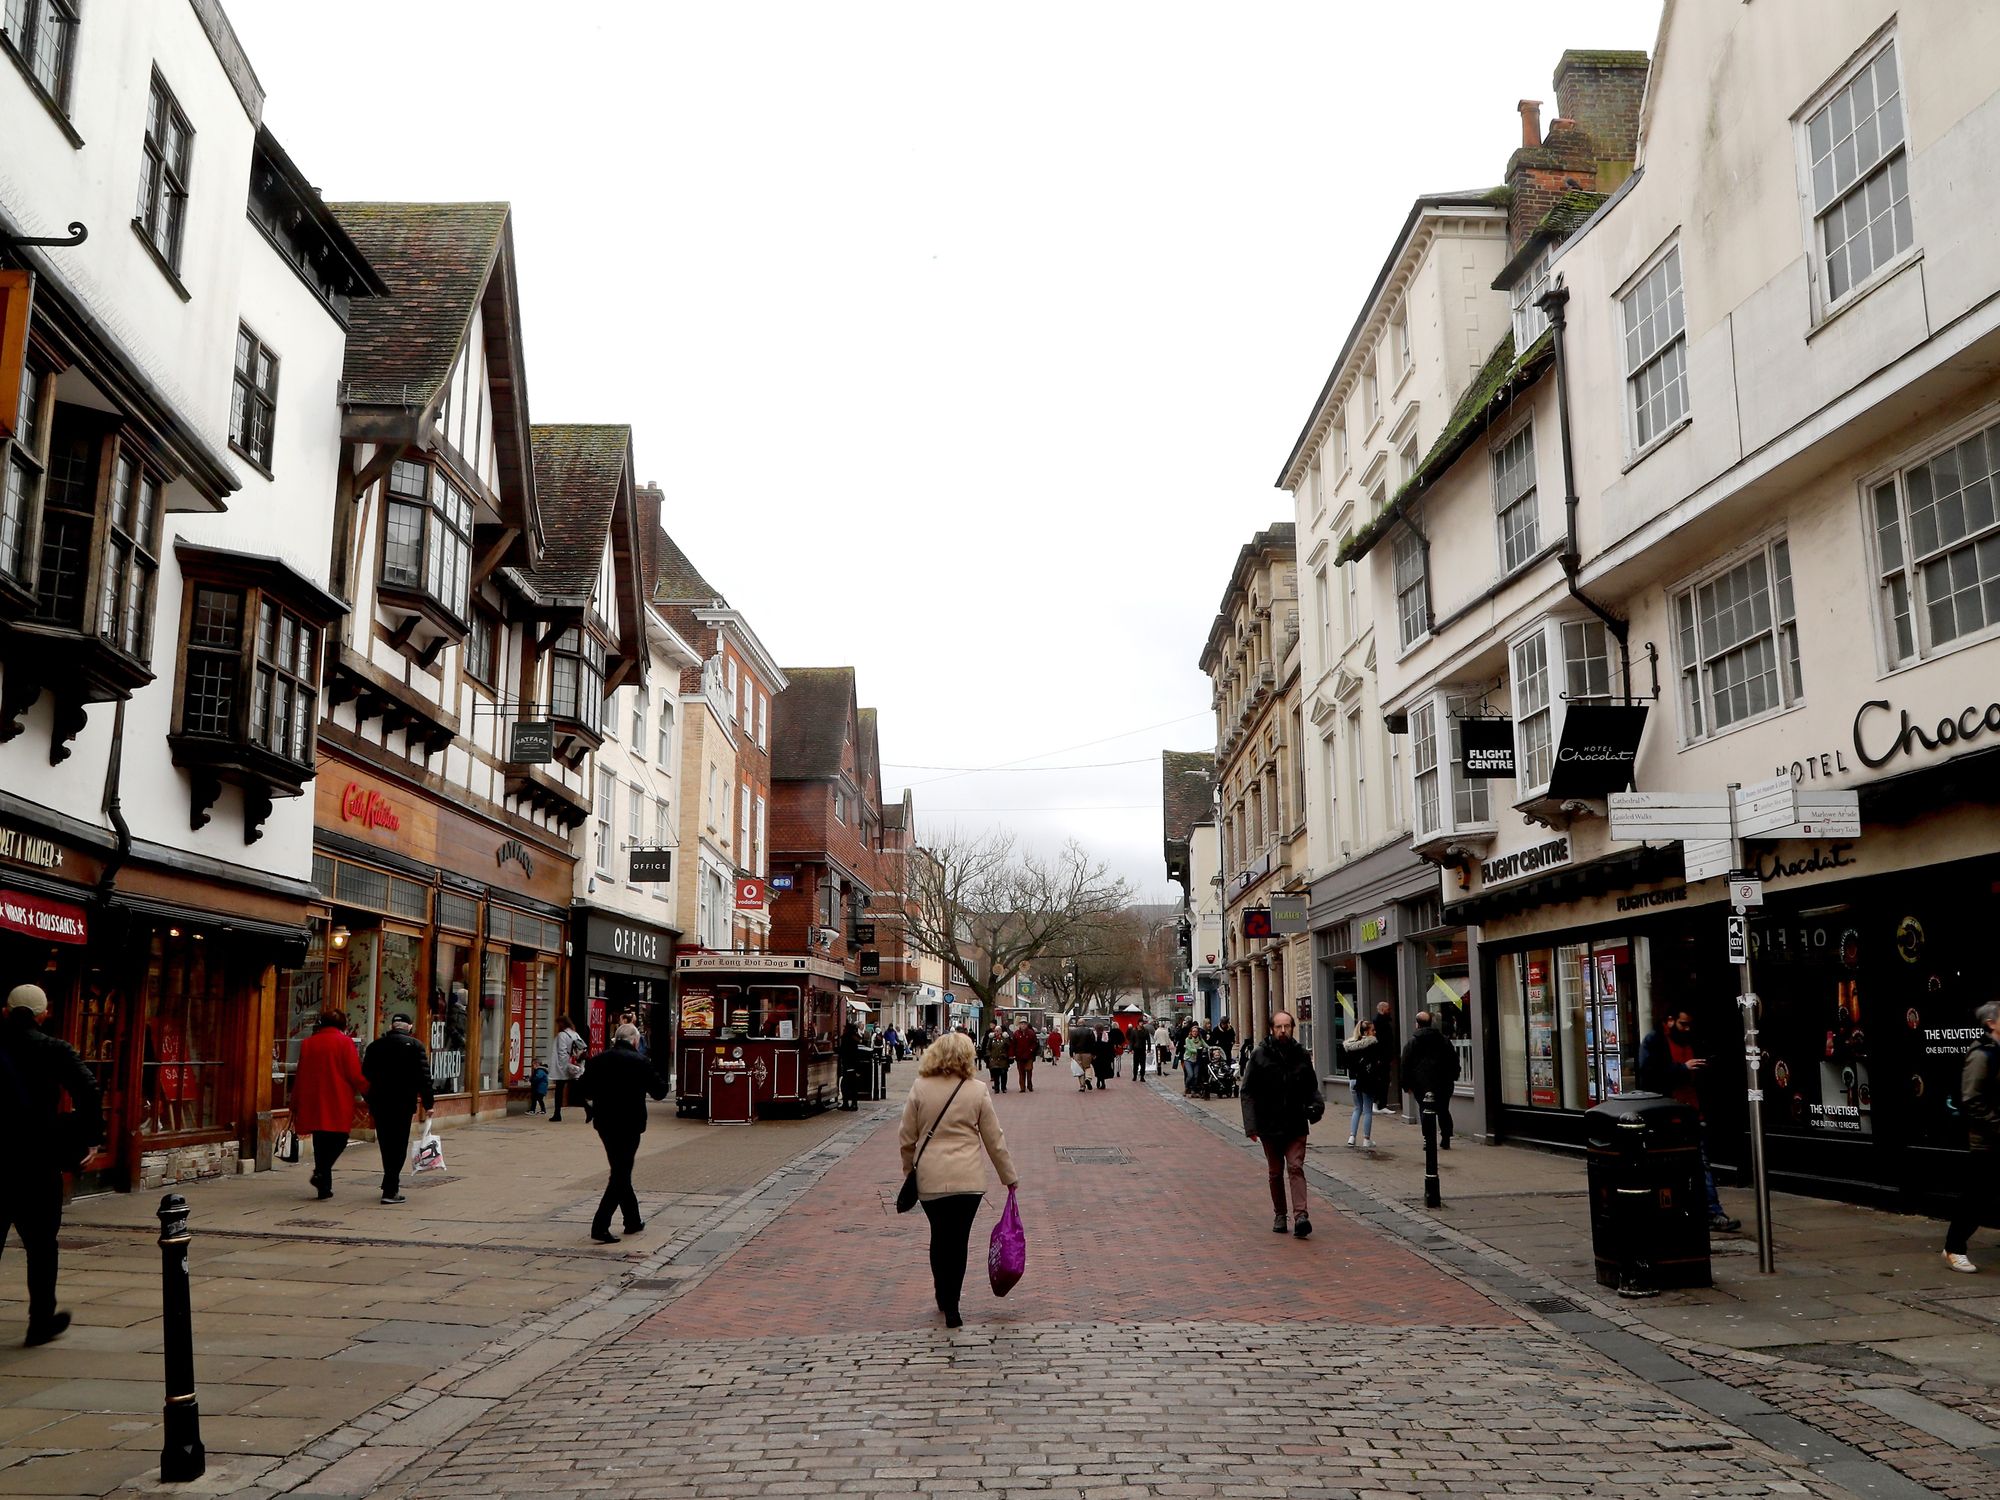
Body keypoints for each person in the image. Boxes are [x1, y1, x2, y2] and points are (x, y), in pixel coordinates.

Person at [0, 984, 103, 1345]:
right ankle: (40, 1320)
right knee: (42, 1244)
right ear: (43, 1015)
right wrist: (90, 1137)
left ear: (5, 1012)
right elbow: (88, 1089)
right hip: (36, 1158)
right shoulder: (54, 1049)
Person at [898, 1032, 1019, 1329]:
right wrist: (1008, 1176)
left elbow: (907, 1137)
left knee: (939, 1236)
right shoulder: (976, 1090)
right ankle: (953, 1306)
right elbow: (994, 1139)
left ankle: (942, 1293)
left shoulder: (920, 1087)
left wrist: (909, 1169)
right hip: (968, 1180)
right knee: (959, 1240)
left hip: (931, 1177)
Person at [1637, 1009, 1740, 1233]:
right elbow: (1648, 1075)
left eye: (1689, 1024)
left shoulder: (1692, 1040)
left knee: (1701, 1164)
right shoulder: (1654, 1041)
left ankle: (1712, 1212)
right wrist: (1683, 1068)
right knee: (1669, 1167)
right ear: (1669, 1021)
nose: (1687, 1028)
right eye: (1682, 1024)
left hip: (1692, 1113)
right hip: (1666, 1116)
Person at [577, 1023, 668, 1244]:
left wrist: (595, 1103)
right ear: (635, 1041)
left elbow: (584, 1089)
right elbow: (659, 1092)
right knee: (620, 1173)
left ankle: (632, 1219)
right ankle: (600, 1225)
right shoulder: (640, 1061)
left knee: (620, 1169)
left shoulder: (599, 1060)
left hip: (605, 1123)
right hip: (630, 1123)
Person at [1241, 1010, 1323, 1237]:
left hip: (1295, 1122)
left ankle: (1301, 1216)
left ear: (1292, 1028)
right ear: (1272, 1029)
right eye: (1279, 1027)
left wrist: (1316, 1107)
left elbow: (1312, 1087)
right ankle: (1280, 1214)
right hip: (1269, 1124)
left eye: (1287, 1026)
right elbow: (1247, 1091)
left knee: (1295, 1167)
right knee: (1275, 1172)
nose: (1283, 1031)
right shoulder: (1259, 1055)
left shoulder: (1301, 1055)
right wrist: (1251, 1126)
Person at [1943, 1000, 2000, 1273]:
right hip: (1988, 1140)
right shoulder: (1981, 1054)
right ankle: (1954, 1248)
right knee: (1976, 1198)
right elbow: (1972, 1100)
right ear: (1991, 1023)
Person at [294, 1010, 367, 1199]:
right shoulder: (345, 1042)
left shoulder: (308, 1043)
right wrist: (367, 1089)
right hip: (337, 1097)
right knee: (340, 1139)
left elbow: (301, 1072)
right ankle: (321, 1173)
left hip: (314, 1097)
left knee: (320, 1141)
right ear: (342, 1025)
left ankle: (324, 1187)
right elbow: (354, 1073)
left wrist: (295, 1100)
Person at [362, 1014, 434, 1205]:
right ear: (409, 1027)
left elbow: (365, 1076)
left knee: (386, 1144)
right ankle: (390, 1187)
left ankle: (389, 1182)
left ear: (392, 1027)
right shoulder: (415, 1046)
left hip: (380, 1103)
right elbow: (424, 1077)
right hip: (403, 1104)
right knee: (399, 1144)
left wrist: (369, 1099)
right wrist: (428, 1103)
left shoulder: (375, 1047)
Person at [1401, 1010, 1460, 1153]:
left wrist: (1406, 1084)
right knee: (1443, 1109)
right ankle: (1446, 1136)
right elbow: (1453, 1060)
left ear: (1417, 1024)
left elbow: (1405, 1064)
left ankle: (1428, 1139)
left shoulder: (1412, 1043)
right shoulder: (1443, 1040)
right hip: (1443, 1082)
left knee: (1425, 1110)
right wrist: (1454, 1076)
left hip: (1421, 1084)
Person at [1341, 1019, 1388, 1152]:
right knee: (1367, 1110)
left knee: (1357, 1108)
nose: (1375, 1032)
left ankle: (1352, 1137)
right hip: (1367, 1081)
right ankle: (1366, 1139)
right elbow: (1377, 1063)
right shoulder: (1372, 1045)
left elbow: (1345, 1064)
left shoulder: (1349, 1046)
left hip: (1353, 1080)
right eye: (1373, 1030)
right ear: (1366, 1032)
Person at [548, 1017, 586, 1122]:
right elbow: (582, 1049)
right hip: (574, 1066)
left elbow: (562, 1052)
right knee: (578, 1089)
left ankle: (557, 1114)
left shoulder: (562, 1035)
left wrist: (564, 1066)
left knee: (559, 1091)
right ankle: (588, 1108)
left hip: (564, 1067)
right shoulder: (575, 1034)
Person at [1374, 999, 1401, 1109]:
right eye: (1388, 1009)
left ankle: (1380, 1103)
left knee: (1384, 1080)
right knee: (1382, 1080)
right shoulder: (1379, 1022)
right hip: (1382, 1056)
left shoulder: (1384, 1021)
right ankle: (1380, 1104)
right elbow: (1382, 1041)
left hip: (1384, 1056)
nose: (1390, 1011)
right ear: (1382, 1009)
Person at [838, 1019, 865, 1110]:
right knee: (853, 1086)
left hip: (848, 1065)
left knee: (845, 1085)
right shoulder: (854, 1038)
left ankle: (846, 1104)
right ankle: (854, 1104)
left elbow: (842, 1051)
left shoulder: (846, 1038)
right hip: (853, 1065)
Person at [1011, 1020, 1038, 1093]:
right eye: (1021, 1024)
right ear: (1019, 1025)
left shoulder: (1031, 1033)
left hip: (1029, 1056)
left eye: (1024, 1024)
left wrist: (1031, 1050)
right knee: (1021, 1072)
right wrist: (1012, 1054)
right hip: (1019, 1056)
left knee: (1029, 1071)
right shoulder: (1016, 1033)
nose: (1023, 1025)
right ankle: (1022, 1087)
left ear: (1027, 1025)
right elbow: (1013, 1045)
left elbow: (1035, 1043)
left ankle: (1029, 1084)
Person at [1070, 1023, 1095, 1092]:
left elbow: (1071, 1043)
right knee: (1087, 1067)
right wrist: (1093, 1053)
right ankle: (1088, 1078)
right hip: (1087, 1052)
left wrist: (1071, 1053)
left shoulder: (1073, 1032)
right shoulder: (1089, 1031)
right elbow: (1093, 1043)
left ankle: (1082, 1086)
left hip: (1077, 1053)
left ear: (1078, 1024)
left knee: (1079, 1069)